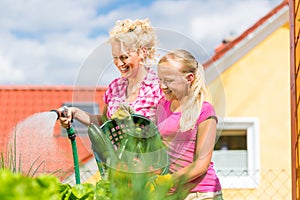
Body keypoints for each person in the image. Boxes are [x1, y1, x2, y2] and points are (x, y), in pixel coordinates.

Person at [59, 18, 164, 128]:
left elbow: (169, 132)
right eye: (115, 57)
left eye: (124, 57)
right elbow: (105, 123)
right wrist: (75, 113)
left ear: (142, 52)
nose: (119, 63)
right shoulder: (115, 87)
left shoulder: (159, 88)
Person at [154, 49, 223, 200]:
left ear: (189, 78)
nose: (162, 86)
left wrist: (167, 181)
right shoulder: (162, 106)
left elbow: (201, 164)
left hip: (201, 193)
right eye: (160, 79)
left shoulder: (204, 111)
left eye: (169, 80)